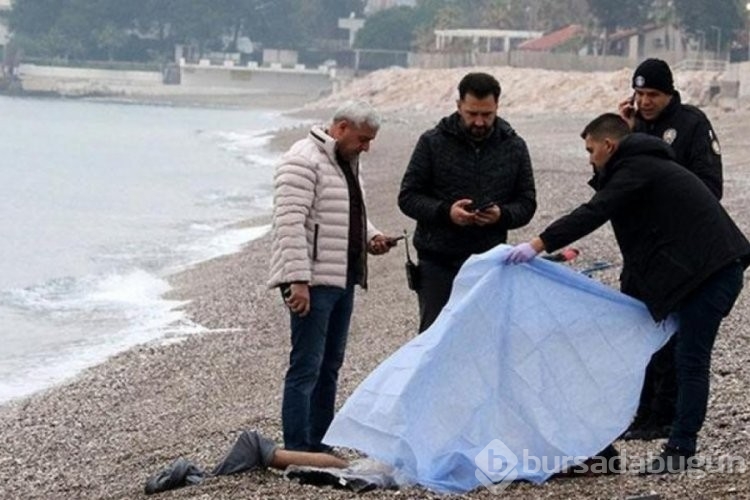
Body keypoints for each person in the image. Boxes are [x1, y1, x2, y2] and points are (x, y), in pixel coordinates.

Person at [505, 113, 749, 473]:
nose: (589, 159)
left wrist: (538, 244)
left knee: (691, 359)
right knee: (655, 349)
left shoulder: (639, 167)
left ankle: (681, 448)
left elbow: (596, 210)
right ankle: (622, 433)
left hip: (713, 273)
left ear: (609, 145)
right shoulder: (638, 165)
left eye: (591, 151)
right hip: (697, 271)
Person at [268, 100, 396, 452]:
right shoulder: (301, 160)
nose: (367, 147)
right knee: (306, 366)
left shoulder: (345, 161)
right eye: (363, 139)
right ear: (340, 128)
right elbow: (289, 225)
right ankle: (297, 446)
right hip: (311, 280)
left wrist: (372, 237)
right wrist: (297, 281)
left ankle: (320, 441)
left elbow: (350, 212)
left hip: (342, 276)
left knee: (329, 366)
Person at [618, 58, 724, 441]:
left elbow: (711, 186)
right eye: (640, 94)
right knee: (639, 332)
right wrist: (625, 132)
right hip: (642, 250)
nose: (645, 102)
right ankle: (641, 413)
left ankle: (666, 416)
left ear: (669, 93)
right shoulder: (633, 127)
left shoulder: (691, 124)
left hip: (680, 251)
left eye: (653, 95)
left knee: (674, 338)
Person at [398, 72, 537, 332]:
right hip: (437, 261)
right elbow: (408, 197)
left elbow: (527, 203)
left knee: (483, 338)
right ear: (459, 105)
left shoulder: (514, 146)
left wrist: (502, 215)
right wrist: (446, 212)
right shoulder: (432, 142)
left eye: (487, 114)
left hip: (489, 263)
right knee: (435, 337)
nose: (480, 122)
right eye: (472, 113)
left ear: (497, 107)